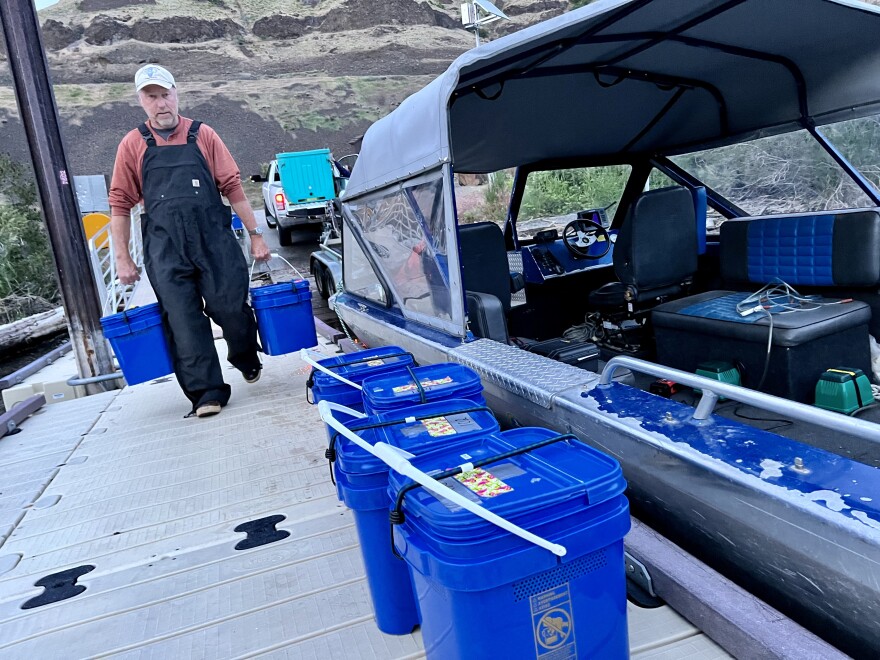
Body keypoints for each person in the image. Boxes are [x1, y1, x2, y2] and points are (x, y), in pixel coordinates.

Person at [109, 64, 270, 418]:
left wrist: (256, 235)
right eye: (151, 97)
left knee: (231, 308)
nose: (160, 103)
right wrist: (123, 258)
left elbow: (232, 187)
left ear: (176, 94)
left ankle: (245, 355)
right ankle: (206, 392)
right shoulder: (133, 144)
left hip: (213, 239)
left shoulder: (203, 135)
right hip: (165, 247)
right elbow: (120, 204)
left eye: (165, 94)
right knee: (183, 321)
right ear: (141, 101)